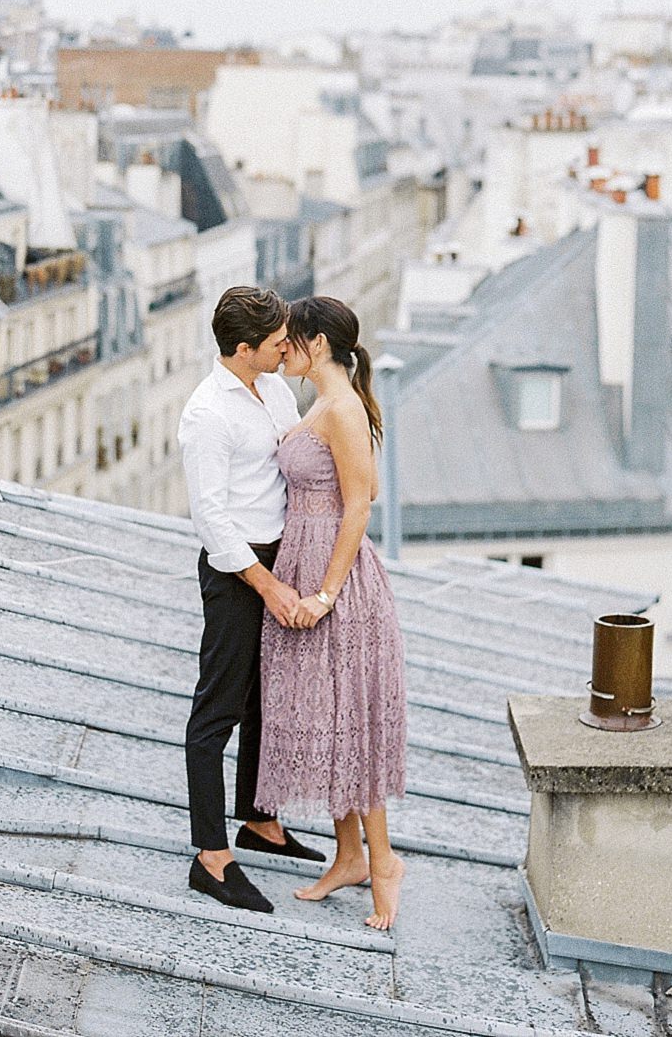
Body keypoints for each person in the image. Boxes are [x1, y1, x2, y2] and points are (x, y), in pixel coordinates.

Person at [256, 295, 407, 931]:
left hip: (334, 580)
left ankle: (384, 861)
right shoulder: (322, 402)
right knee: (326, 717)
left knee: (350, 721)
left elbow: (361, 505)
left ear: (317, 343)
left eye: (290, 339)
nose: (282, 349)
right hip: (305, 562)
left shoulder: (341, 407)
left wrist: (324, 593)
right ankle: (348, 856)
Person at [179, 286, 325, 914]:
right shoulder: (207, 413)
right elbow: (211, 519)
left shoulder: (274, 388)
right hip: (238, 571)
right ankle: (210, 857)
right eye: (275, 343)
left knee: (269, 698)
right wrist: (266, 585)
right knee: (218, 711)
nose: (285, 348)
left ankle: (260, 820)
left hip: (280, 559)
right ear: (243, 349)